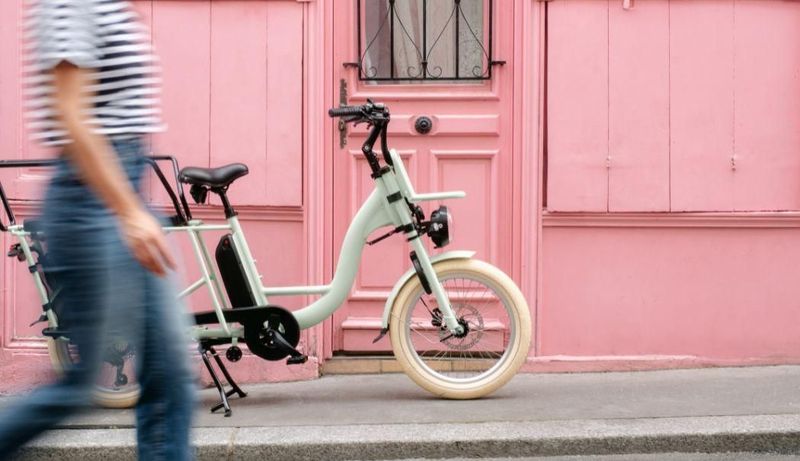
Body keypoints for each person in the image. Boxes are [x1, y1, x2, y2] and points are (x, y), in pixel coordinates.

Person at [0, 0, 195, 459]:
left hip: (116, 195)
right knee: (80, 384)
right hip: (94, 204)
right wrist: (128, 212)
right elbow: (72, 116)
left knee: (169, 377)